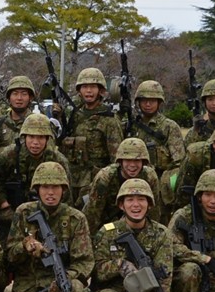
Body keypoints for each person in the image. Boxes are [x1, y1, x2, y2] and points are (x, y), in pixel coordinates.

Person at [0, 163, 93, 292]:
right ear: (37, 189)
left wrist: (66, 276)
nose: (50, 192)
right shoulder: (24, 212)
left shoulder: (76, 219)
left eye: (55, 187)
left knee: (76, 291)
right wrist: (25, 247)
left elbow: (85, 261)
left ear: (63, 190)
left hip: (58, 280)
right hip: (29, 280)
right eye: (45, 187)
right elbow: (9, 254)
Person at [90, 178, 178, 292]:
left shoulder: (161, 234)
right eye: (130, 200)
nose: (136, 205)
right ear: (121, 205)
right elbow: (97, 271)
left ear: (150, 204)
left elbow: (165, 274)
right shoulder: (107, 232)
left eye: (141, 199)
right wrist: (120, 265)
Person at [0, 112, 74, 241]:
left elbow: (66, 196)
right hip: (11, 210)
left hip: (48, 213)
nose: (35, 143)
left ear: (47, 139)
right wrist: (4, 204)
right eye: (31, 137)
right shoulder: (9, 155)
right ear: (24, 137)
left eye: (41, 138)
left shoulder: (58, 160)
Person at [59, 67, 123, 204]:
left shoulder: (109, 119)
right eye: (85, 87)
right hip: (72, 179)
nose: (89, 91)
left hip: (95, 182)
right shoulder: (74, 115)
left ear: (100, 90)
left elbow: (117, 160)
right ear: (79, 90)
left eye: (93, 87)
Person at [129, 80, 186, 219]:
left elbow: (179, 161)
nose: (148, 104)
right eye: (144, 100)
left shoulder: (169, 127)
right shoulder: (131, 126)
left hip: (161, 184)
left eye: (152, 101)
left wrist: (168, 187)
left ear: (159, 102)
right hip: (132, 181)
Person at [82, 137, 161, 234]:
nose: (132, 165)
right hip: (107, 222)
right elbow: (93, 212)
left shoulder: (150, 177)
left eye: (137, 161)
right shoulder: (105, 177)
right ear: (120, 161)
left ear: (143, 162)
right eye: (128, 160)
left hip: (137, 221)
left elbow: (154, 210)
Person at [0, 76, 38, 153]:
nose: (19, 98)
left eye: (24, 94)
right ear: (9, 97)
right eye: (15, 94)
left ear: (30, 98)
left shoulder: (38, 123)